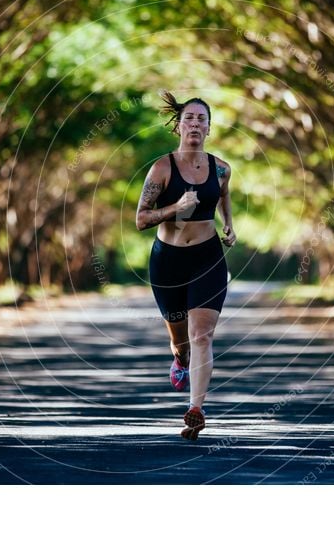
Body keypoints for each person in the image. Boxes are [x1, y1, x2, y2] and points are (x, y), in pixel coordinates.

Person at [135, 90, 236, 441]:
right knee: (182, 341)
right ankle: (179, 360)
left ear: (209, 128)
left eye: (201, 119)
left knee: (202, 335)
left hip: (207, 257)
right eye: (189, 118)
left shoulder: (221, 168)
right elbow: (141, 219)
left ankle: (196, 409)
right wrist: (176, 207)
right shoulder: (162, 168)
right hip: (168, 261)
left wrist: (229, 225)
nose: (195, 124)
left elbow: (223, 195)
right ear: (178, 127)